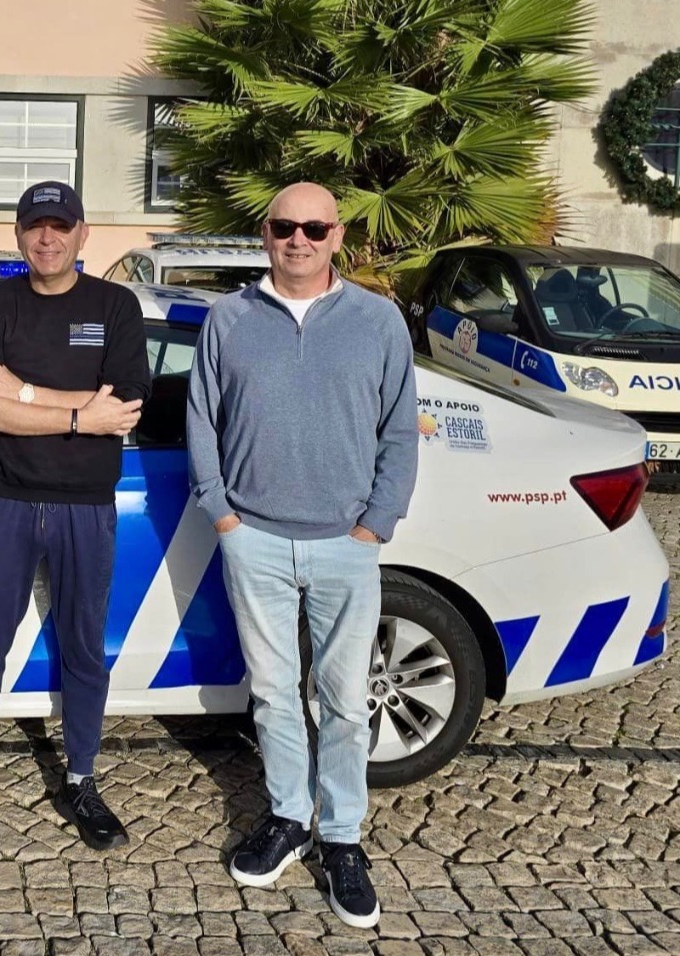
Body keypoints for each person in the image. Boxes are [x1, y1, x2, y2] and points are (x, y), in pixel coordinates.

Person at [185, 183, 418, 929]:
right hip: (252, 538)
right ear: (265, 233)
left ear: (337, 236)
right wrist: (222, 514)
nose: (299, 239)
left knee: (345, 700)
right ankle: (289, 816)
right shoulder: (229, 319)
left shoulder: (378, 321)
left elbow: (400, 430)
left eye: (314, 228)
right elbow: (202, 418)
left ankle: (342, 836)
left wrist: (376, 523)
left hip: (347, 543)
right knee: (273, 693)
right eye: (286, 226)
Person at [0, 181, 150, 852]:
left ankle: (82, 779)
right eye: (35, 226)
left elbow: (122, 411)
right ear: (20, 235)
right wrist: (81, 413)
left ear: (83, 233)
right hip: (4, 501)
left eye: (60, 225)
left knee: (83, 648)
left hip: (87, 507)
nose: (47, 238)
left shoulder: (115, 306)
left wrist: (21, 391)